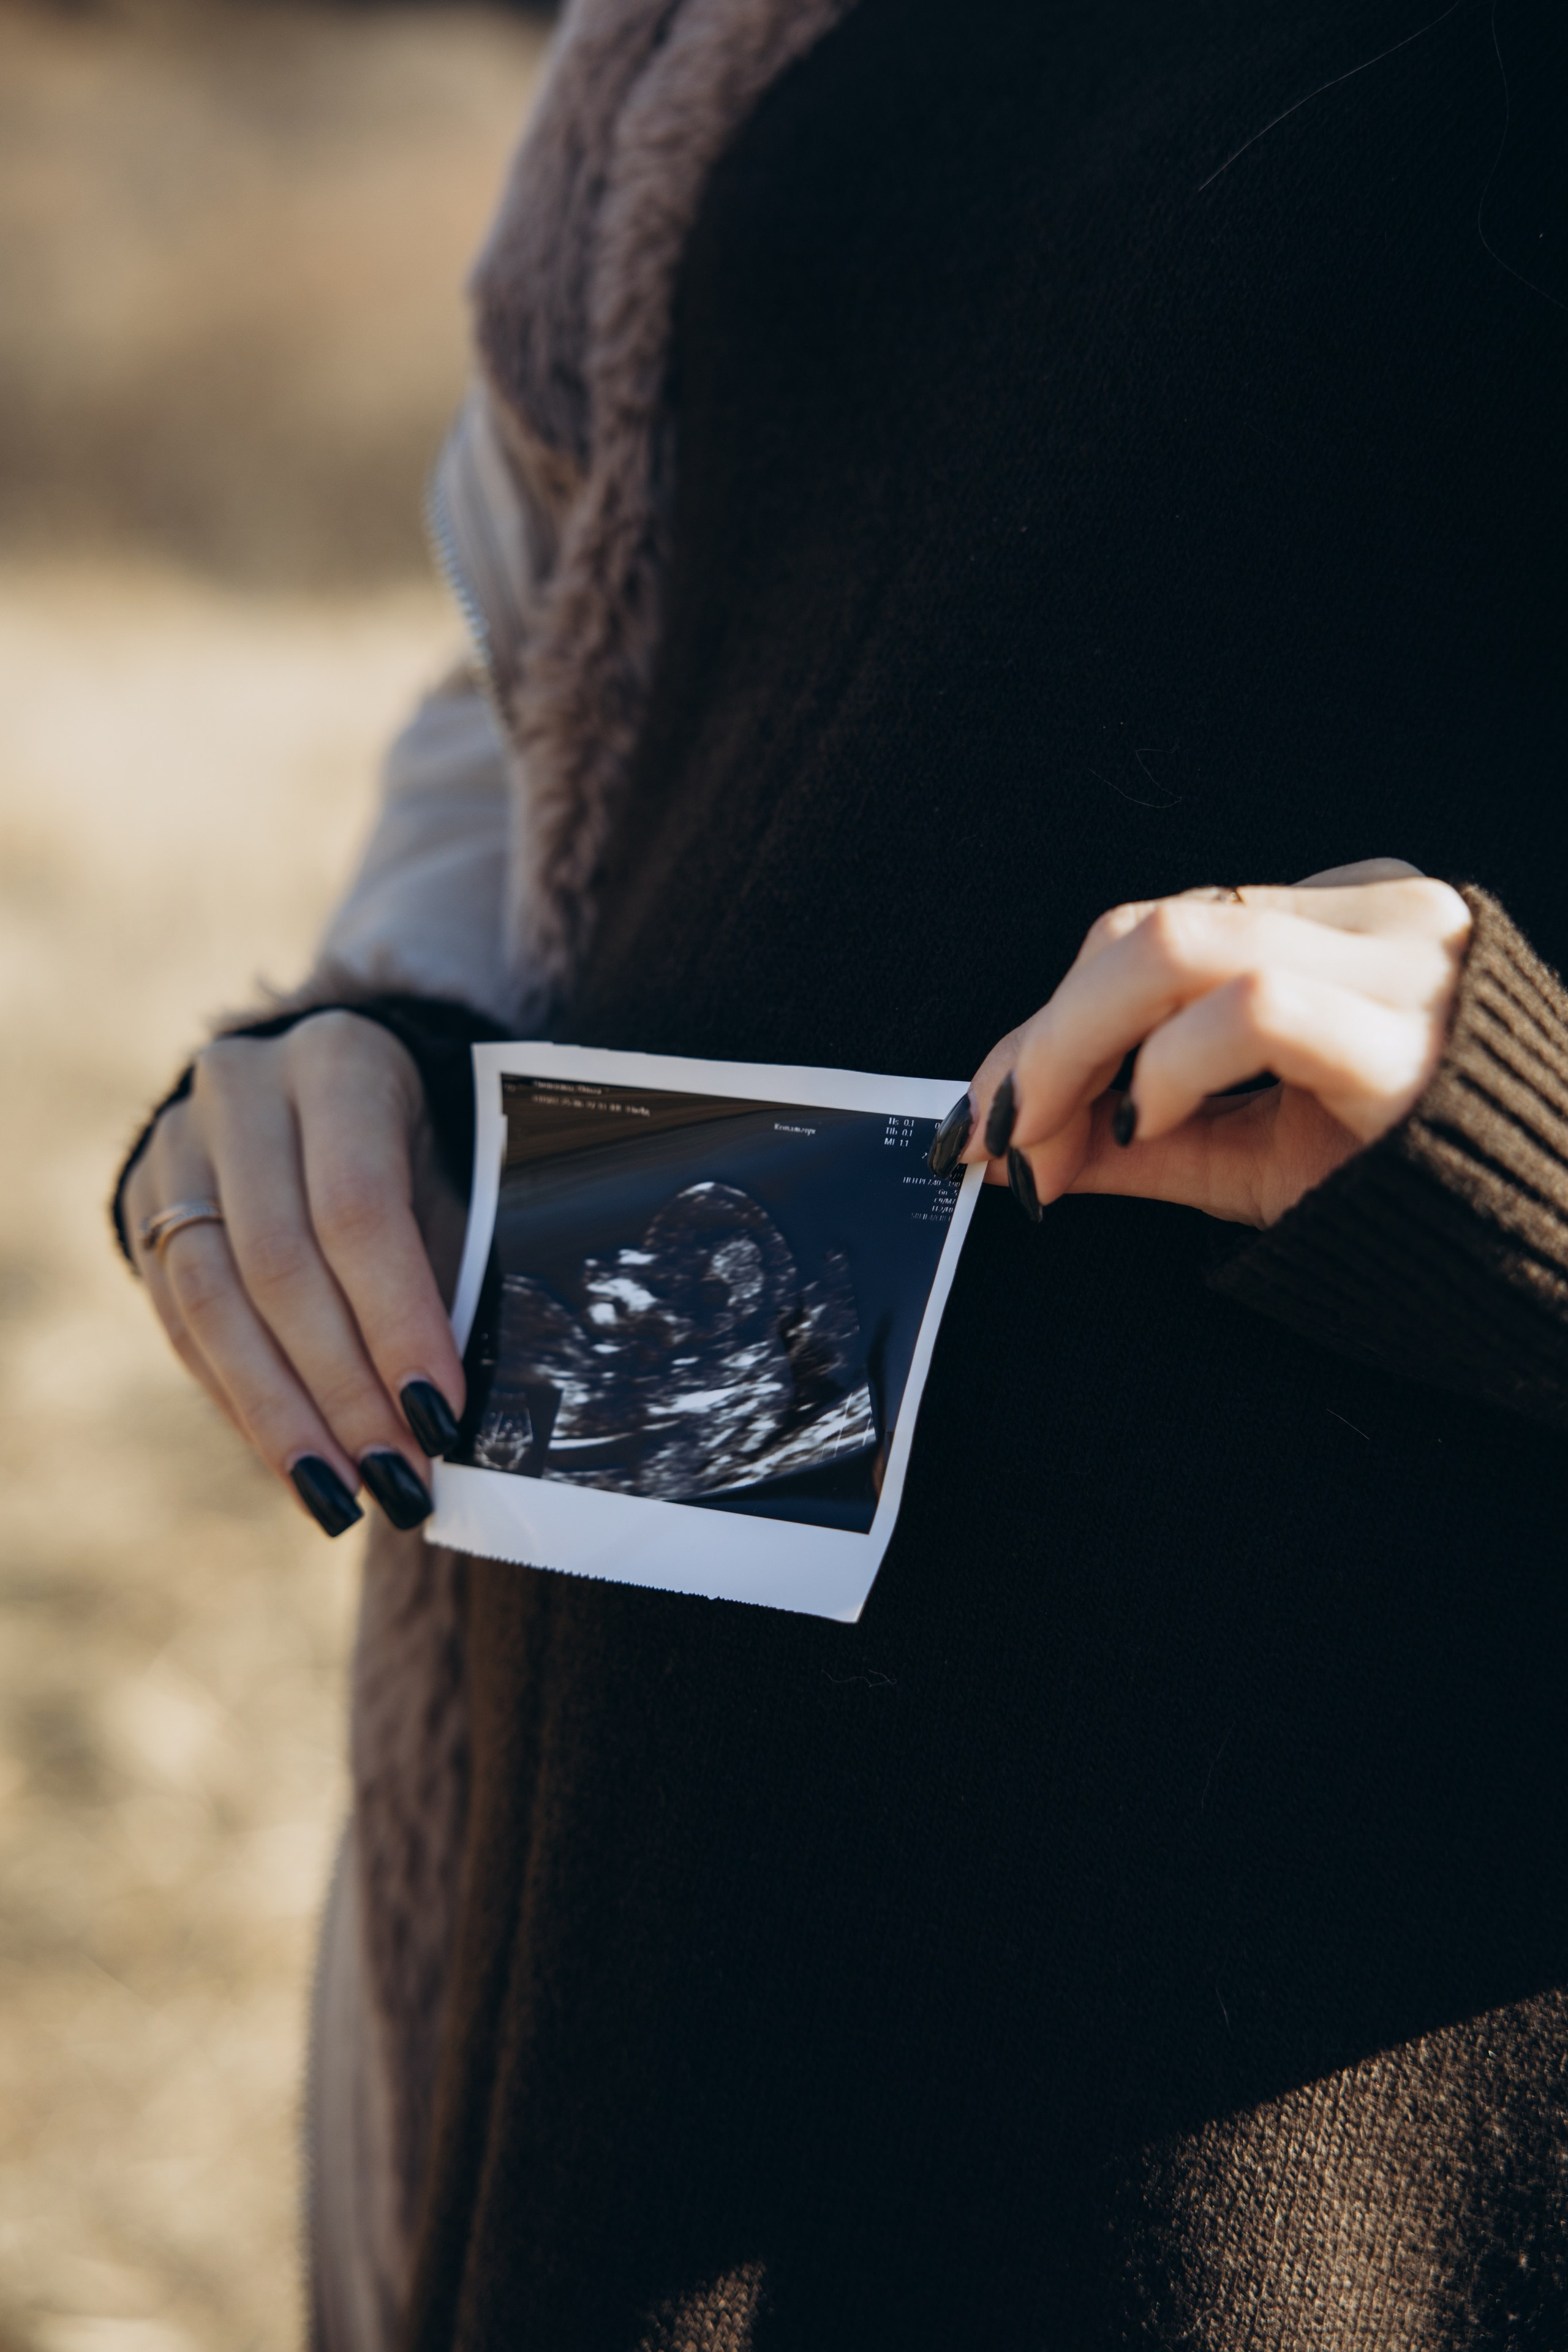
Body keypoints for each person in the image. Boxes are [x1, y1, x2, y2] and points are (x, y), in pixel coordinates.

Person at [112, 1, 1568, 2344]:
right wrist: (364, 1053)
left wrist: (1530, 1122)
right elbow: (563, 680)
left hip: (1288, 2033)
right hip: (658, 1899)